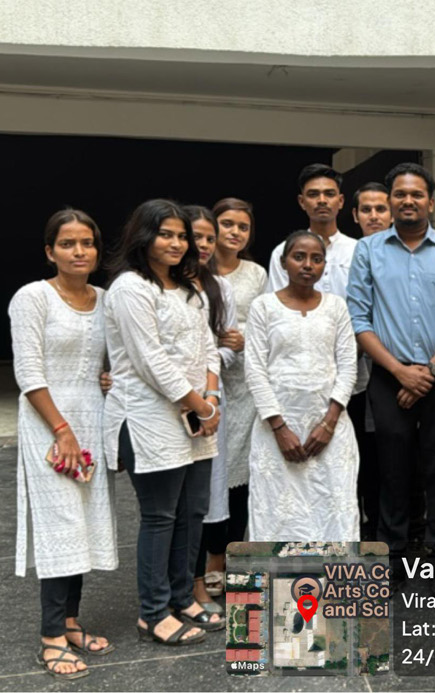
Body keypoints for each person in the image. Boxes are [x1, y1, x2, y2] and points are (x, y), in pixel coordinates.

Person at [346, 163, 435, 593]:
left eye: (416, 194)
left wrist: (430, 371)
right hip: (389, 374)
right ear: (390, 201)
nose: (407, 201)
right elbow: (359, 319)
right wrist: (401, 372)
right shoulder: (368, 250)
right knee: (391, 467)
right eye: (399, 194)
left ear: (430, 202)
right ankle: (393, 554)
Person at [103, 199, 222, 647]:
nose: (176, 243)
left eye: (181, 236)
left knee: (192, 512)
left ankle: (181, 598)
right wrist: (201, 406)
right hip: (148, 417)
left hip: (196, 415)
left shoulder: (189, 287)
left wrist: (210, 397)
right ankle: (152, 613)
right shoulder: (130, 288)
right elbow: (150, 360)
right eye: (165, 234)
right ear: (143, 236)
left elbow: (208, 346)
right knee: (160, 516)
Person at [9, 209, 119, 679]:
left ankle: (71, 622)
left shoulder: (107, 299)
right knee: (60, 523)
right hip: (49, 422)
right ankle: (51, 636)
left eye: (87, 243)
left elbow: (111, 360)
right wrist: (60, 429)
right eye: (68, 243)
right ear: (49, 251)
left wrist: (111, 378)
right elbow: (28, 373)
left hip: (91, 417)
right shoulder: (32, 297)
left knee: (84, 523)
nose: (79, 252)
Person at [245, 231, 361, 541]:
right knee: (277, 512)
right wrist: (279, 428)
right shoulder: (263, 307)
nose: (308, 265)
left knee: (333, 509)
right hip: (276, 430)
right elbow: (255, 370)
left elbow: (347, 366)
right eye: (299, 257)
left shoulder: (336, 306)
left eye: (317, 259)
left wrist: (329, 423)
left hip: (330, 430)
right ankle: (281, 575)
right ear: (283, 262)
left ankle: (333, 574)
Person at [200, 198, 266, 599]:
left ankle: (229, 558)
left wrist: (246, 339)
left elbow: (270, 321)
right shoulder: (194, 270)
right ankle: (206, 560)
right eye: (227, 224)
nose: (235, 233)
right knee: (207, 477)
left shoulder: (256, 274)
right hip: (202, 386)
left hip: (244, 386)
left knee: (239, 477)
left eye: (243, 226)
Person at [182, 205, 235, 618]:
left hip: (211, 403)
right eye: (194, 236)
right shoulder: (158, 285)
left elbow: (228, 348)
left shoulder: (220, 288)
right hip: (170, 403)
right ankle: (179, 584)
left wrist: (208, 390)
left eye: (209, 239)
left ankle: (196, 582)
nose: (202, 245)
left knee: (204, 497)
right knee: (173, 502)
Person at [349, 181, 390, 539]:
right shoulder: (351, 251)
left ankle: (385, 532)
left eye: (381, 209)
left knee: (385, 459)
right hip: (350, 376)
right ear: (355, 215)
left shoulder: (402, 254)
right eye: (367, 210)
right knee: (355, 458)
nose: (374, 216)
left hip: (391, 372)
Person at [268, 163, 351, 293]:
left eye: (329, 194)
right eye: (313, 194)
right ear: (302, 202)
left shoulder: (357, 250)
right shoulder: (283, 252)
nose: (322, 200)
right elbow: (278, 302)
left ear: (340, 201)